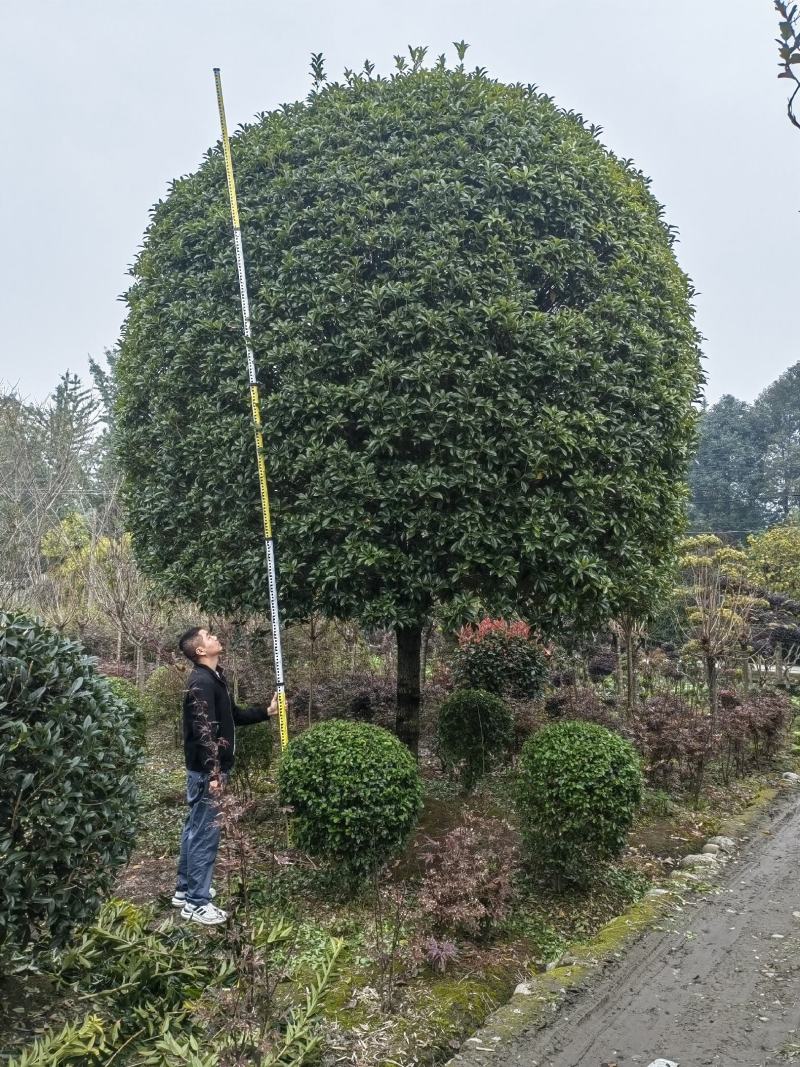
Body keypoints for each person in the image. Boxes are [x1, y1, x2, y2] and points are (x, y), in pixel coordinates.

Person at [172, 626, 277, 925]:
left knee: (195, 828)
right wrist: (215, 773)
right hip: (208, 772)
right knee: (205, 834)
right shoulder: (201, 682)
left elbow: (233, 716)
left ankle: (185, 889)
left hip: (206, 771)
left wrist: (266, 712)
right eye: (209, 636)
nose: (215, 637)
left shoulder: (215, 678)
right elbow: (205, 731)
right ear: (201, 651)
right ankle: (196, 902)